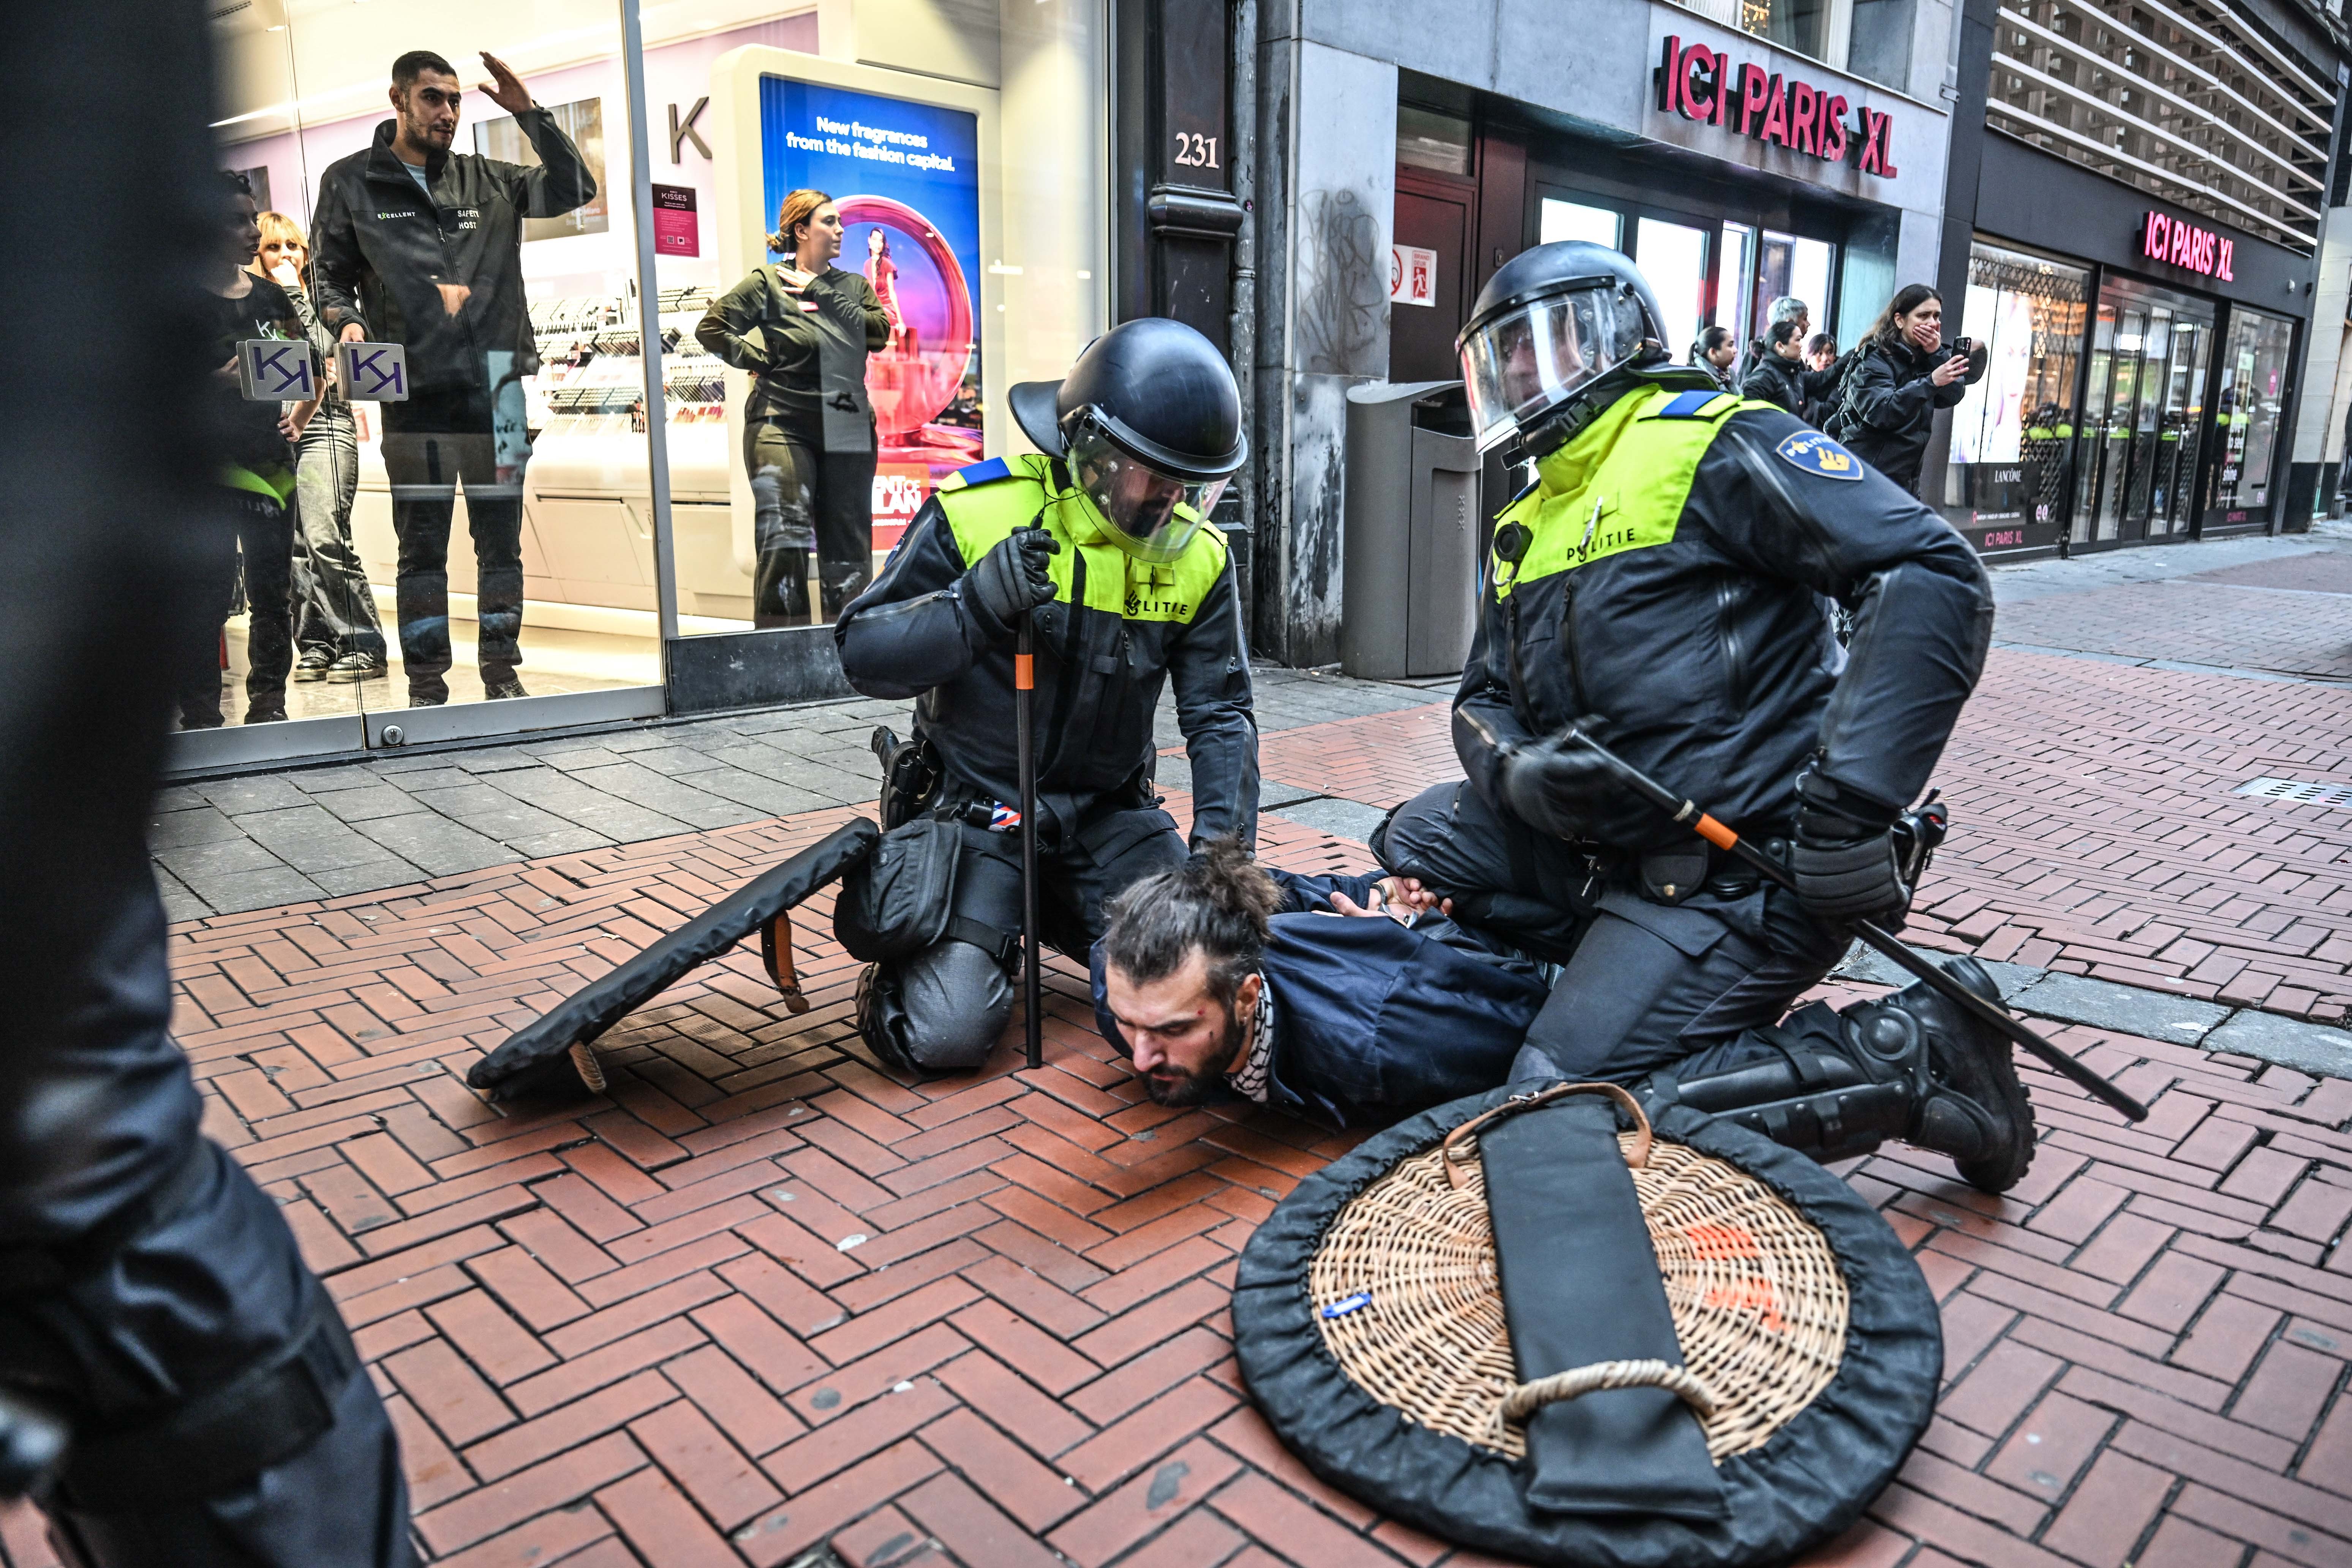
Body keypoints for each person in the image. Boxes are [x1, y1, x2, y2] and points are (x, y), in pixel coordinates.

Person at [2, 2, 413, 1558]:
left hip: (274, 482)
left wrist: (334, 360)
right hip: (242, 490)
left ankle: (245, 692)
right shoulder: (215, 301)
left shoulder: (286, 303)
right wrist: (267, 388)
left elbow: (340, 381)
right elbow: (222, 408)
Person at [1418, 239, 2031, 1193]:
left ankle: (1914, 1053)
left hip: (1744, 862)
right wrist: (1520, 775)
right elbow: (1480, 700)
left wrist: (1847, 808)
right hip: (1615, 853)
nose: (1519, 375)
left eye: (1539, 346)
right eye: (1501, 359)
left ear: (1609, 337)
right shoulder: (1530, 514)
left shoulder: (1714, 438)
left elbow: (1931, 573)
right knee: (1414, 832)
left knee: (1562, 1104)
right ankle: (1605, 983)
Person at [835, 318, 1257, 1074]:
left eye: (1190, 483)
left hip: (1106, 819)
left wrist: (1221, 863)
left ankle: (1058, 917)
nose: (1172, 499)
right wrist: (973, 606)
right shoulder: (979, 511)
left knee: (1201, 986)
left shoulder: (1201, 558)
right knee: (948, 1036)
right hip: (979, 813)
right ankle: (930, 951)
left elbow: (1221, 716)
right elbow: (864, 654)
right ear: (1091, 454)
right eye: (1153, 474)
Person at [310, 49, 597, 707]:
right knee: (422, 547)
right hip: (411, 389)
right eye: (433, 98)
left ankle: (501, 670)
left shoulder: (487, 179)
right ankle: (427, 683)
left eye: (454, 100)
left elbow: (575, 188)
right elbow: (326, 272)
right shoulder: (351, 182)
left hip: (498, 384)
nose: (447, 112)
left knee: (502, 543)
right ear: (399, 100)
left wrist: (530, 113)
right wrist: (347, 321)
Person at [1091, 842, 1547, 1129]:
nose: (1140, 1057)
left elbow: (1535, 1012)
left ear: (1246, 998)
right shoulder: (1118, 985)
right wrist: (1376, 891)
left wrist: (1422, 937)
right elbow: (1252, 889)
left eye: (1172, 1031)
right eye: (1129, 1024)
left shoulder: (1382, 1045)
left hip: (1513, 938)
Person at [697, 191, 890, 625]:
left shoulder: (853, 287)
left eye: (840, 222)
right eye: (830, 222)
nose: (840, 229)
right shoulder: (767, 283)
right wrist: (758, 360)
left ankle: (851, 658)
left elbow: (878, 333)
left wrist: (821, 290)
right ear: (802, 230)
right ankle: (782, 657)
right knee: (785, 538)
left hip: (845, 414)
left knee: (848, 546)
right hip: (780, 418)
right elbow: (712, 328)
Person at [184, 173, 312, 730]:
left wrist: (298, 414)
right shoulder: (182, 301)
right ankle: (202, 713)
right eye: (236, 220)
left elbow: (306, 366)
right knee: (206, 595)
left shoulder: (271, 296)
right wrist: (220, 382)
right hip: (205, 467)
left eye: (252, 218)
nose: (249, 230)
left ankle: (269, 703)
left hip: (268, 462)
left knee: (271, 590)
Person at [255, 211, 387, 685]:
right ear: (258, 254)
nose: (285, 256)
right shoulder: (254, 303)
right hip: (276, 431)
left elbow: (323, 356)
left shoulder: (326, 304)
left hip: (325, 426)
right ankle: (316, 643)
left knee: (325, 536)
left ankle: (363, 644)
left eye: (292, 247)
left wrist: (293, 290)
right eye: (274, 248)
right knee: (293, 548)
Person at [1830, 284, 1984, 496]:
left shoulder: (1927, 358)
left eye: (1937, 316)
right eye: (1923, 316)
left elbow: (1953, 395)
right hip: (1866, 477)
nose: (1932, 323)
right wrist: (1931, 382)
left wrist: (1937, 354)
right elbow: (1881, 412)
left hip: (1904, 482)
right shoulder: (1875, 358)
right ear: (1899, 320)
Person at [1740, 318, 1808, 414]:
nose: (1801, 345)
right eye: (1798, 340)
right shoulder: (1765, 376)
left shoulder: (1791, 372)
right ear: (1780, 346)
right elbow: (1748, 415)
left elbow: (1821, 378)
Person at [1691, 324, 1738, 390]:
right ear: (1713, 352)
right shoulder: (1700, 380)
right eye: (1730, 345)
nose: (1736, 350)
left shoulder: (1729, 374)